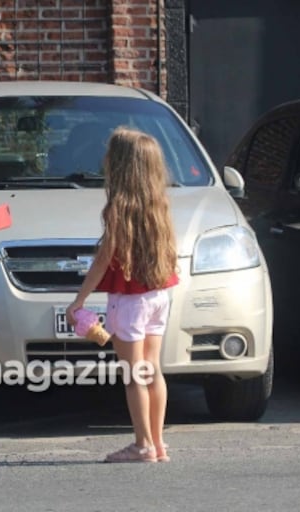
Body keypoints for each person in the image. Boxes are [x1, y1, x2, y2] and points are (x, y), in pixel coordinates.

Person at [67, 127, 178, 463]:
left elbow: (104, 258)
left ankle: (142, 445)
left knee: (134, 376)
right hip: (159, 295)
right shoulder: (158, 204)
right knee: (152, 370)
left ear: (119, 166)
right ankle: (157, 443)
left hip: (129, 300)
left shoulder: (119, 207)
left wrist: (80, 299)